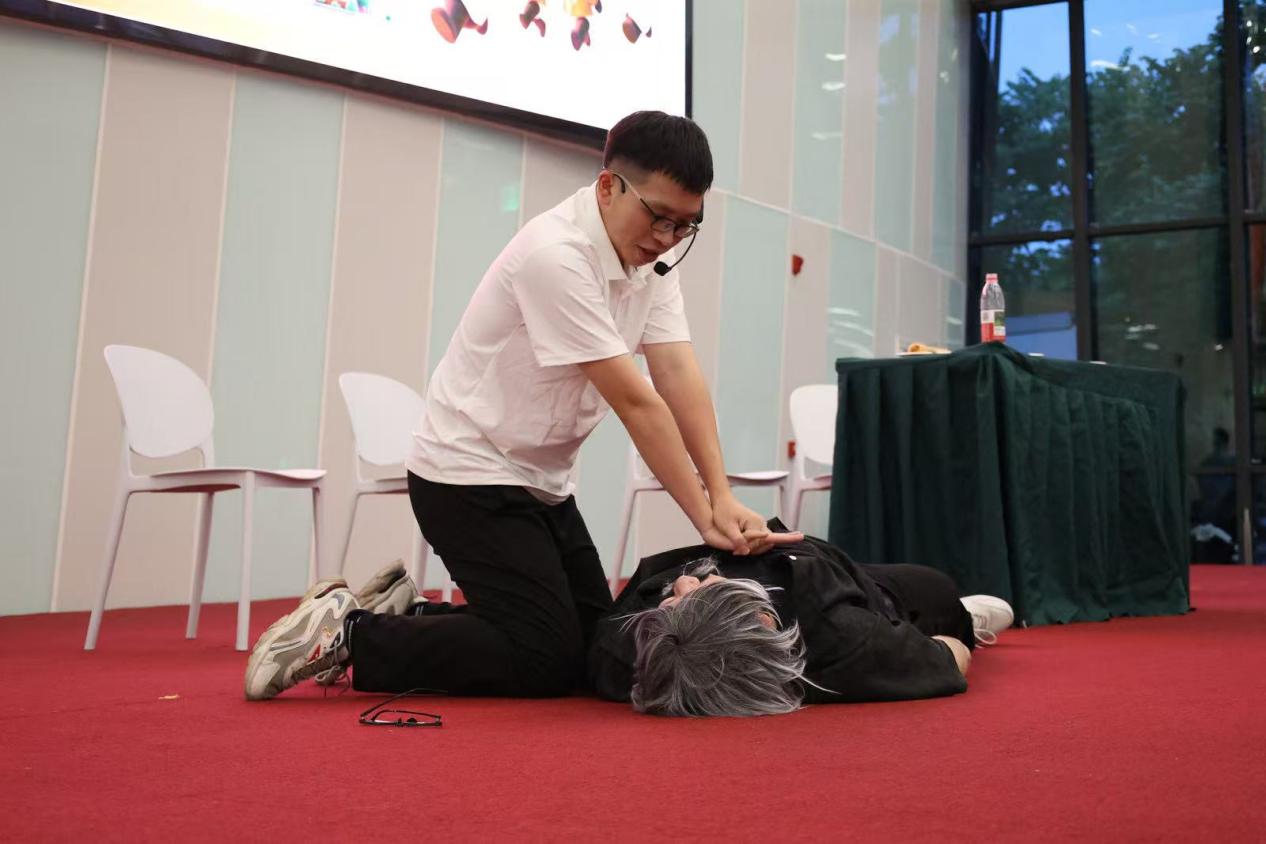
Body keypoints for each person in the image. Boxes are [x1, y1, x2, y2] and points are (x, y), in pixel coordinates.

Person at [245, 111, 802, 701]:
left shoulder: (652, 260)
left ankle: (406, 615)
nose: (666, 238)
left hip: (541, 483)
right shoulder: (555, 255)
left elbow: (677, 374)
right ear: (608, 187)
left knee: (595, 645)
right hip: (465, 474)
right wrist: (706, 519)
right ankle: (348, 633)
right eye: (658, 217)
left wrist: (721, 495)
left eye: (685, 225)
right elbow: (638, 403)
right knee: (546, 660)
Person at [586, 520, 1014, 717]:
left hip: (778, 552)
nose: (682, 583)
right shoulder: (845, 643)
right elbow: (951, 657)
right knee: (938, 591)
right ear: (762, 619)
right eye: (697, 594)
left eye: (669, 606)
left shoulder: (622, 652)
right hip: (872, 594)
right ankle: (968, 614)